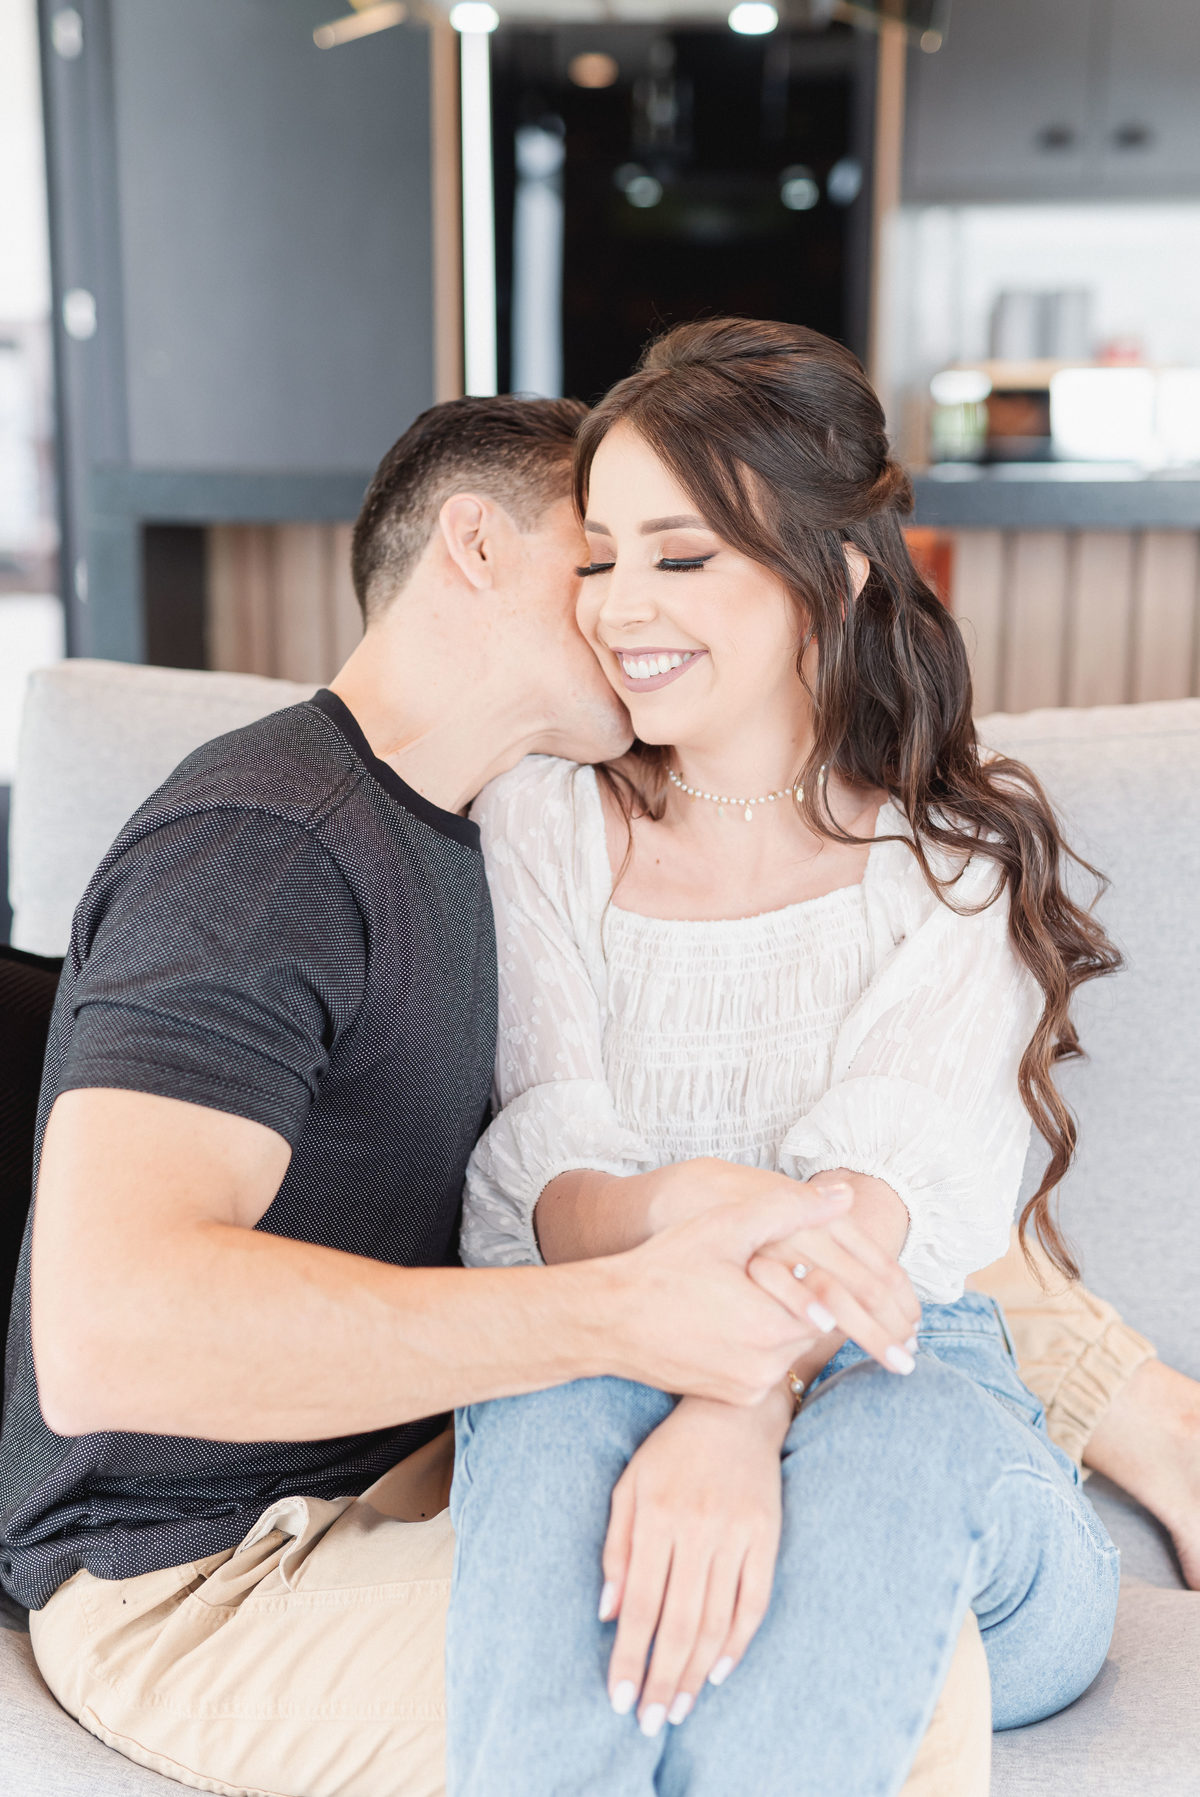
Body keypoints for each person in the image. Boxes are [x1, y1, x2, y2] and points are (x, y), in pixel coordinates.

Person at [0, 395, 938, 1797]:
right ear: (477, 545)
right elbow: (108, 1333)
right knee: (854, 1671)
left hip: (417, 1479)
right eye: (597, 553)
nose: (631, 605)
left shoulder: (492, 838)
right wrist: (617, 1314)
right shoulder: (266, 839)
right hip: (199, 1576)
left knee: (888, 1589)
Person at [445, 318, 1144, 1796]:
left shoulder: (951, 862)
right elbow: (555, 1195)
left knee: (904, 1420)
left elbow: (866, 1224)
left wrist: (736, 1403)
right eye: (601, 558)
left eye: (683, 556)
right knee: (547, 1393)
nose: (622, 606)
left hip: (917, 1416)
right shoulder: (540, 824)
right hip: (616, 1357)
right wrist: (681, 1229)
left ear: (832, 573)